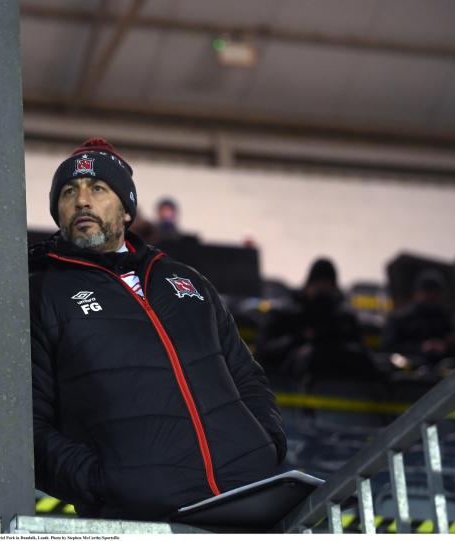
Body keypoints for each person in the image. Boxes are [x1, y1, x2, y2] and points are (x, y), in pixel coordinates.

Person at [29, 137, 285, 521]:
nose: (82, 200)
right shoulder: (41, 291)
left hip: (247, 503)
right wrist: (103, 482)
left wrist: (265, 444)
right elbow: (27, 422)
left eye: (97, 189)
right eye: (68, 192)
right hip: (140, 518)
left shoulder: (188, 281)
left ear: (127, 209)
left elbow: (246, 376)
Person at [255, 258, 372, 381]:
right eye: (318, 287)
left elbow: (365, 358)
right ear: (307, 286)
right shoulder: (286, 316)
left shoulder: (345, 322)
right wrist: (299, 337)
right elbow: (263, 353)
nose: (322, 294)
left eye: (327, 288)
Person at [382, 269, 455, 369]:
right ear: (417, 293)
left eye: (435, 292)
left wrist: (447, 346)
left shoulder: (449, 319)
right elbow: (388, 347)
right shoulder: (400, 319)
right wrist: (421, 347)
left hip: (446, 372)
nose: (431, 296)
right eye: (427, 292)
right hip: (408, 371)